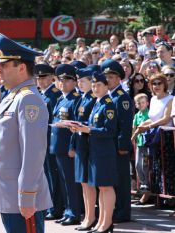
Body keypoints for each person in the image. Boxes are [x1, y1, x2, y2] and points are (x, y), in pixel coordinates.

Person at [0, 33, 52, 233]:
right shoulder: (14, 95)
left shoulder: (28, 99)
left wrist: (28, 195)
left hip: (21, 195)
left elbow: (34, 152)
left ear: (21, 68)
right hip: (9, 193)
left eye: (4, 65)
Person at [72, 72, 118, 233]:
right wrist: (79, 126)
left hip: (104, 151)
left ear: (106, 86)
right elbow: (92, 124)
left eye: (99, 85)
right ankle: (101, 222)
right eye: (93, 85)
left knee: (106, 187)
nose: (95, 88)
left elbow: (110, 130)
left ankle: (107, 222)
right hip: (96, 150)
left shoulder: (108, 104)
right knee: (100, 187)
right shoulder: (98, 103)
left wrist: (88, 130)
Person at [101, 59, 133, 223]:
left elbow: (125, 124)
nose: (108, 79)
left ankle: (123, 211)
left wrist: (122, 145)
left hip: (118, 146)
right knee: (111, 179)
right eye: (105, 76)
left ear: (119, 78)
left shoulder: (122, 97)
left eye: (112, 76)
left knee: (121, 180)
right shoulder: (107, 97)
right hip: (107, 146)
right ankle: (114, 210)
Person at [51, 64, 82, 226]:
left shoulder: (75, 99)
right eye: (60, 80)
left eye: (67, 80)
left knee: (71, 181)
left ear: (74, 82)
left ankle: (75, 212)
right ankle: (67, 210)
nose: (63, 83)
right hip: (58, 146)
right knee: (64, 181)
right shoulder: (60, 99)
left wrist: (72, 147)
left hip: (67, 147)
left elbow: (76, 126)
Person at [35, 63, 64, 220]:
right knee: (46, 174)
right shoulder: (42, 94)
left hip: (51, 139)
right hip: (42, 140)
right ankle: (50, 206)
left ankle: (56, 208)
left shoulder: (54, 94)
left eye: (43, 77)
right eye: (38, 78)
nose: (40, 81)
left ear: (51, 78)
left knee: (53, 174)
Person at [71, 68, 97, 231]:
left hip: (89, 144)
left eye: (83, 81)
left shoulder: (93, 99)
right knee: (83, 183)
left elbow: (92, 123)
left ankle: (91, 217)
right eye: (78, 80)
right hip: (81, 143)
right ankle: (87, 216)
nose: (79, 83)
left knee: (88, 183)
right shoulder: (82, 98)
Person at [131, 94, 150, 196]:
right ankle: (143, 182)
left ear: (147, 103)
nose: (141, 105)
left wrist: (134, 135)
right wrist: (133, 137)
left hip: (147, 143)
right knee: (138, 164)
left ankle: (146, 183)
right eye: (139, 103)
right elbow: (134, 127)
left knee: (145, 164)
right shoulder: (137, 115)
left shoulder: (150, 113)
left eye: (143, 102)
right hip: (139, 143)